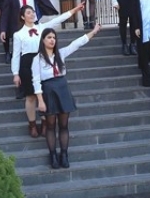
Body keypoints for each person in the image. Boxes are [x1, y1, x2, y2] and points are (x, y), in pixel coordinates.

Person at [11, 2, 86, 138]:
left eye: (33, 12)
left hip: (42, 61)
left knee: (44, 94)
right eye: (28, 13)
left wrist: (75, 10)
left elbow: (58, 20)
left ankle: (45, 123)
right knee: (30, 96)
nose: (32, 14)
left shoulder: (42, 27)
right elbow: (16, 55)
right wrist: (15, 73)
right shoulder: (18, 34)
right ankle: (32, 124)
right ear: (22, 17)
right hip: (27, 64)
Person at [34, 23, 101, 169]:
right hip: (48, 90)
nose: (52, 40)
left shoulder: (61, 54)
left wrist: (93, 32)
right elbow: (36, 80)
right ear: (43, 40)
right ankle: (53, 155)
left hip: (62, 88)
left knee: (64, 125)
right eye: (49, 37)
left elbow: (76, 44)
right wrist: (40, 100)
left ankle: (64, 154)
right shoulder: (37, 59)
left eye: (54, 37)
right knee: (51, 125)